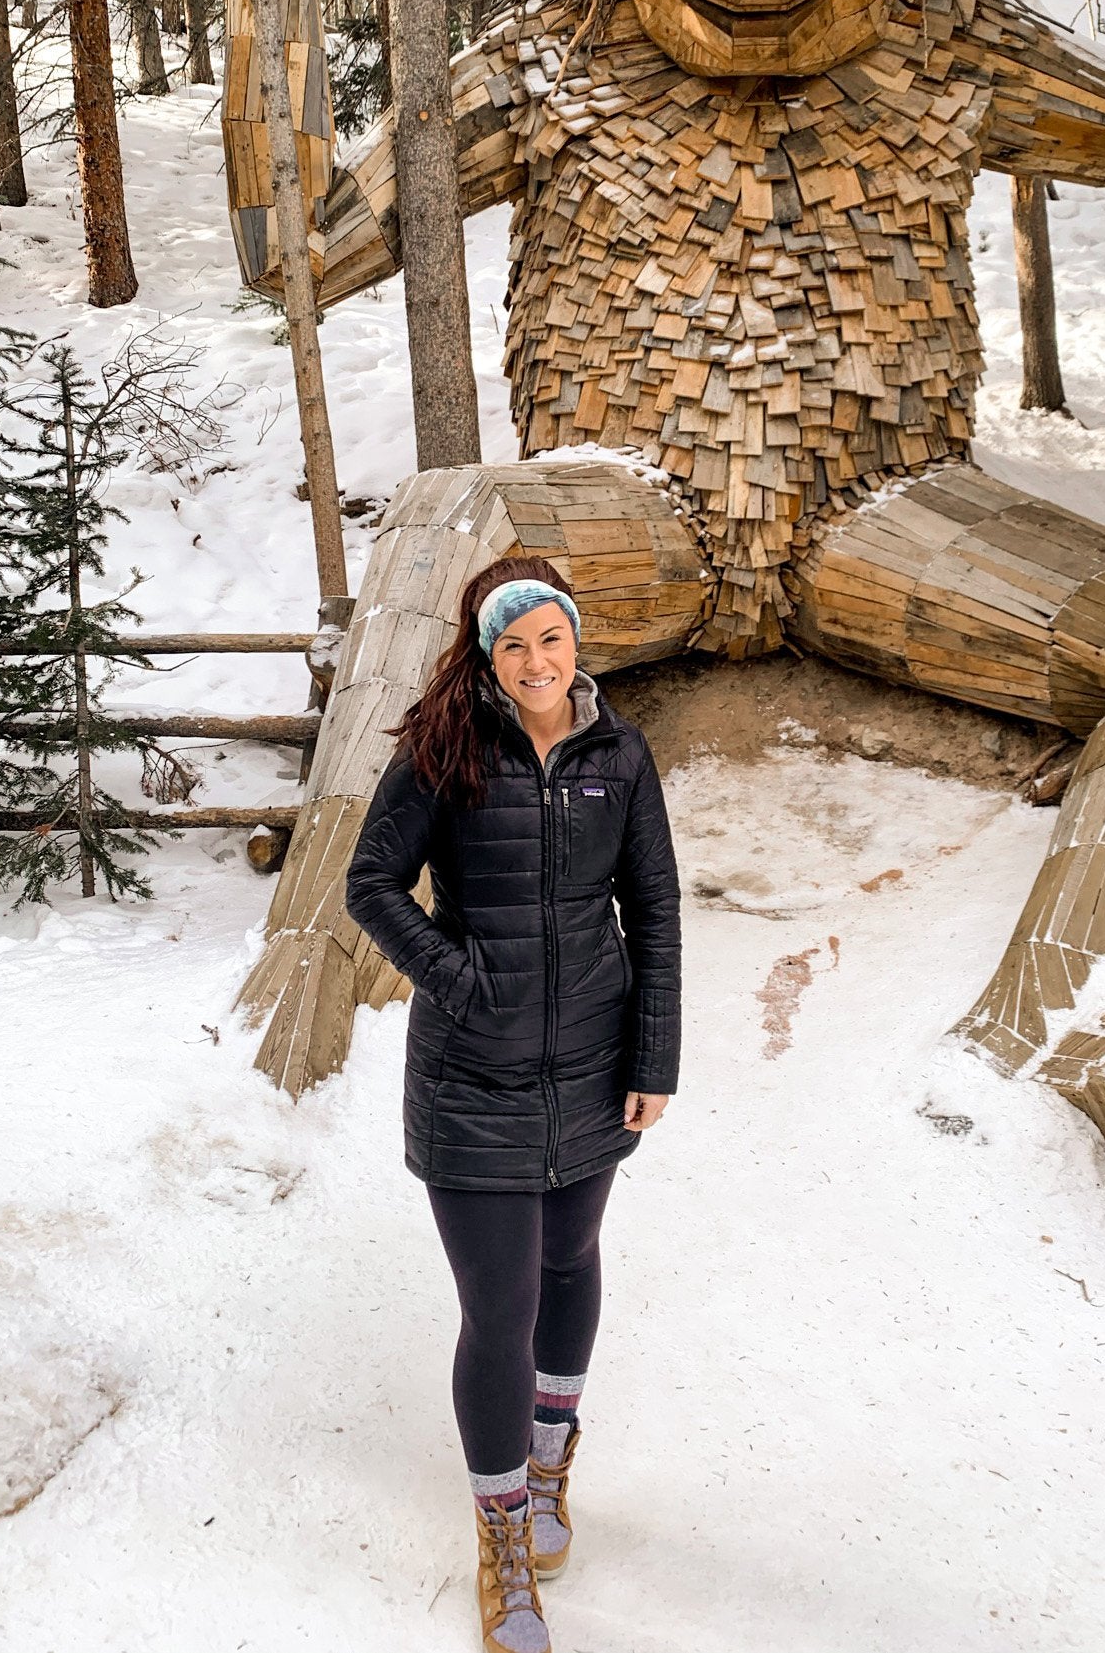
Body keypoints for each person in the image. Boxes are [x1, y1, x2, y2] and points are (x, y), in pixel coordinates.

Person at [346, 555, 682, 1653]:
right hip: (472, 1081)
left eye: (552, 638)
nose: (538, 663)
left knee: (573, 1262)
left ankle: (549, 1463)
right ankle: (500, 1534)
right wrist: (458, 978)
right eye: (514, 645)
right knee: (500, 1305)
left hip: (592, 1067)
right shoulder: (443, 752)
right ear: (486, 657)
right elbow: (371, 884)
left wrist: (655, 1059)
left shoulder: (620, 755)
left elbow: (656, 913)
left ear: (576, 640)